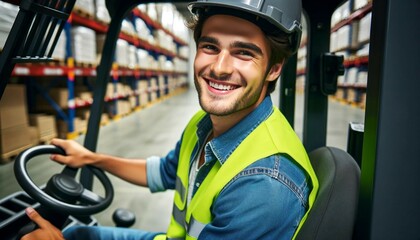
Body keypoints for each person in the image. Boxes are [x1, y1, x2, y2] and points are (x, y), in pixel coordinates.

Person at [21, 0, 319, 239]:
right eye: (210, 47)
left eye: (244, 53)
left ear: (274, 69)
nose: (220, 67)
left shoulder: (265, 185)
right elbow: (163, 172)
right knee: (80, 234)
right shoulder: (204, 124)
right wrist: (91, 159)